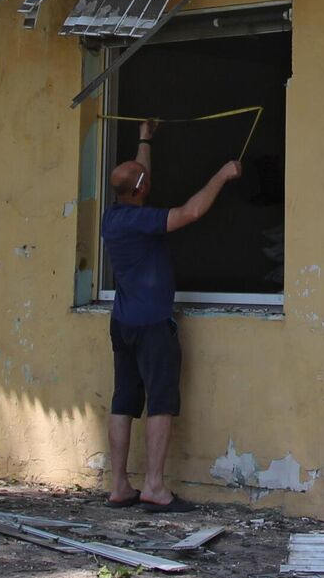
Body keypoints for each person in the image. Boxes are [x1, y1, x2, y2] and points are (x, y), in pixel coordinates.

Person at [101, 120, 240, 511]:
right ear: (141, 190)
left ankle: (119, 486)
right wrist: (222, 174)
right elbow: (191, 212)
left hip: (123, 323)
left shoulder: (114, 215)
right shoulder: (143, 222)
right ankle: (155, 487)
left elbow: (142, 178)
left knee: (124, 401)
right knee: (160, 402)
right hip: (151, 327)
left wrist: (146, 137)